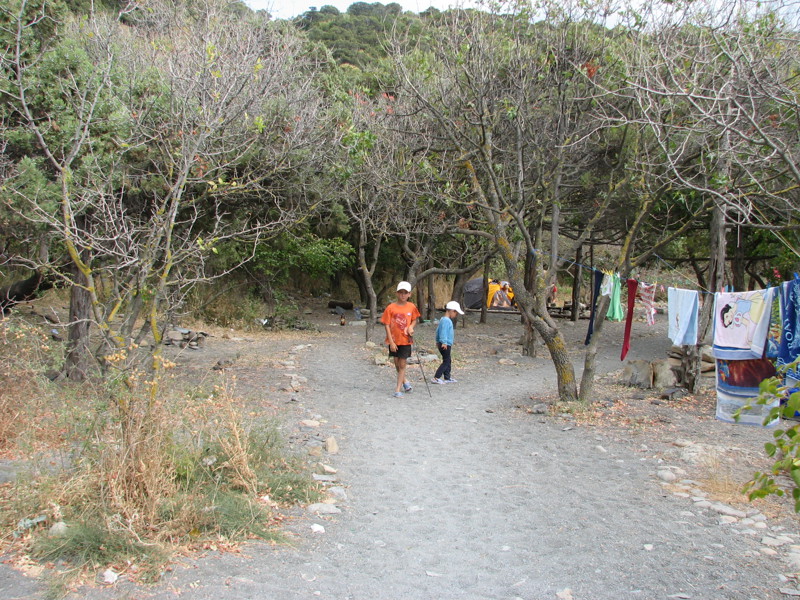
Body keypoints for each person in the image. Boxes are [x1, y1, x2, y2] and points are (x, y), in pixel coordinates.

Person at [381, 281, 421, 398]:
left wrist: (411, 327)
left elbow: (415, 319)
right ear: (397, 293)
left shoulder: (412, 307)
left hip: (406, 340)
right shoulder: (390, 308)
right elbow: (387, 324)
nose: (403, 295)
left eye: (405, 293)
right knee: (397, 364)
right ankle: (405, 382)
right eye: (400, 292)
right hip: (394, 340)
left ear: (409, 294)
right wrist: (391, 342)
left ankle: (397, 389)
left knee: (402, 364)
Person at [432, 300, 465, 384]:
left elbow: (437, 331)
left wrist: (437, 341)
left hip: (444, 343)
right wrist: (444, 342)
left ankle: (447, 377)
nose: (456, 315)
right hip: (445, 344)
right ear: (451, 311)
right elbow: (443, 332)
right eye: (455, 312)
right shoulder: (446, 320)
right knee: (446, 361)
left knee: (448, 360)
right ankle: (436, 377)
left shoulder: (443, 319)